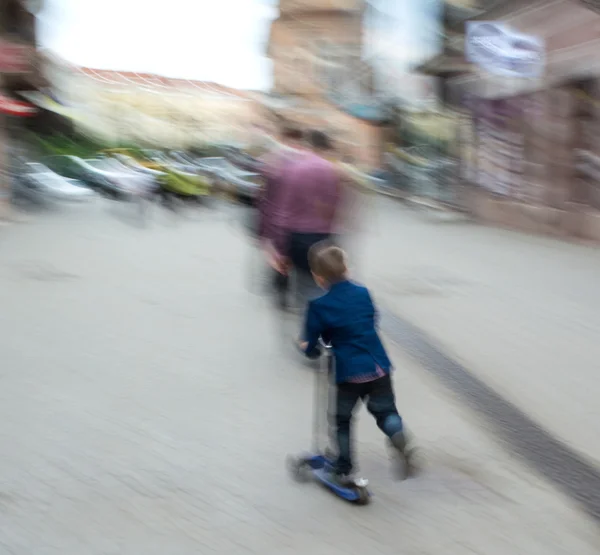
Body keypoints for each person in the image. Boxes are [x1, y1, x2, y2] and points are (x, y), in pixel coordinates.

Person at [299, 242, 416, 483]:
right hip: (378, 365)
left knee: (342, 419)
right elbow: (372, 317)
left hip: (350, 373)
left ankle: (343, 466)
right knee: (385, 412)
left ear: (318, 277)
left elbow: (311, 341)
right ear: (347, 270)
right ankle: (398, 433)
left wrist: (310, 348)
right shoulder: (362, 292)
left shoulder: (318, 305)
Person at [277, 130, 342, 308]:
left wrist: (281, 249)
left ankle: (308, 327)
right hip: (323, 237)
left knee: (302, 287)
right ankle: (320, 326)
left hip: (297, 237)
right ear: (325, 147)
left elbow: (285, 209)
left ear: (308, 145)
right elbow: (334, 207)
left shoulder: (294, 169)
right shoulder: (331, 170)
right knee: (322, 285)